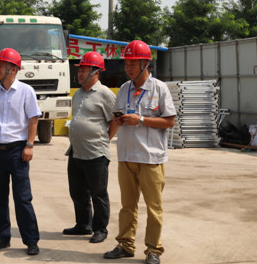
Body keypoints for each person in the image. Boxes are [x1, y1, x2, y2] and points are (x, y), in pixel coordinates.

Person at [103, 40, 176, 264]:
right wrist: (117, 123)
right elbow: (116, 118)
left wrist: (141, 119)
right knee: (127, 206)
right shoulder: (124, 89)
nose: (128, 67)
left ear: (145, 63)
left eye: (133, 63)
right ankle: (125, 245)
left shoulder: (159, 88)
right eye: (126, 63)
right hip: (126, 156)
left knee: (154, 208)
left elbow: (170, 121)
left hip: (151, 158)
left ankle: (153, 250)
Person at [0, 48, 41, 256]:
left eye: (1, 66)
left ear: (13, 69)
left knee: (22, 198)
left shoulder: (26, 91)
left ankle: (31, 240)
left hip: (18, 151)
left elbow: (33, 119)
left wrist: (29, 145)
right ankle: (2, 237)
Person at [64, 51, 118, 244]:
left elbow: (115, 120)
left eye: (84, 69)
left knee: (98, 193)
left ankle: (100, 228)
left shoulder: (105, 94)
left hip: (96, 153)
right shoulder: (78, 93)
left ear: (96, 72)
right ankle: (83, 224)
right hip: (76, 151)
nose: (80, 73)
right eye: (79, 69)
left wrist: (104, 139)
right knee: (77, 192)